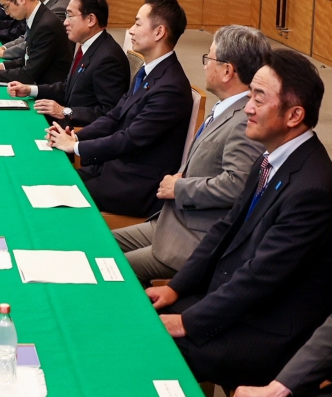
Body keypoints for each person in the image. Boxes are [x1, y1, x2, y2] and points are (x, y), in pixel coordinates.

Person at [146, 50, 332, 390]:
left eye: (259, 98)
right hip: (237, 299)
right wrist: (177, 286)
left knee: (150, 345)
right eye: (250, 95)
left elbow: (260, 279)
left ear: (294, 115)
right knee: (140, 312)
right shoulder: (271, 158)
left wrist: (188, 322)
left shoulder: (313, 190)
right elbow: (226, 228)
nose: (248, 108)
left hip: (270, 328)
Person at [113, 25, 268, 284]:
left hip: (193, 239)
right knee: (99, 243)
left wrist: (180, 187)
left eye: (209, 58)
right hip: (172, 220)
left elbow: (237, 185)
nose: (205, 65)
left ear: (227, 71)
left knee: (110, 267)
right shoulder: (226, 107)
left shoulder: (244, 120)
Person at [47, 0, 193, 217]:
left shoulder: (170, 87)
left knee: (60, 196)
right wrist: (75, 137)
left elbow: (130, 139)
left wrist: (76, 147)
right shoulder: (149, 71)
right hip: (114, 167)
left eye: (137, 24)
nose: (130, 31)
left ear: (159, 32)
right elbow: (115, 115)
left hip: (135, 185)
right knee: (53, 178)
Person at [7, 0, 128, 127]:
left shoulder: (108, 58)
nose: (65, 22)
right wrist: (30, 90)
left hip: (82, 131)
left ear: (91, 19)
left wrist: (65, 112)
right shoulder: (88, 46)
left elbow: (111, 112)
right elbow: (69, 87)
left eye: (70, 16)